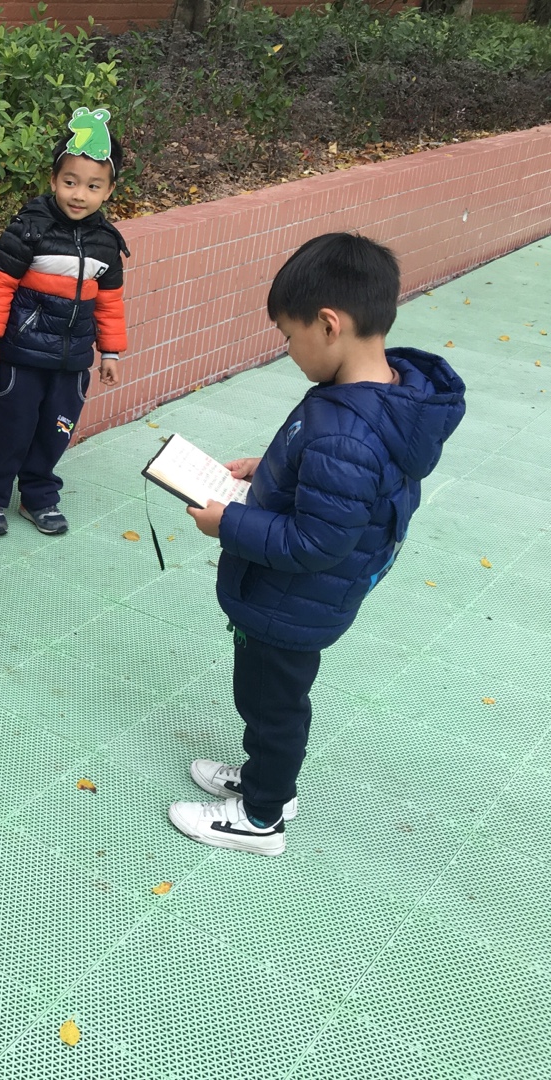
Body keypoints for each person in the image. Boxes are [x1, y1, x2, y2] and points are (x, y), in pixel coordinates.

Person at [174, 232, 466, 856]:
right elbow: (339, 485)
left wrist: (227, 523)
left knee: (271, 705)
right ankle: (266, 780)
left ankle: (261, 817)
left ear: (329, 325)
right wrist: (269, 469)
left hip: (291, 602)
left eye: (288, 335)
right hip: (303, 598)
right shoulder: (384, 396)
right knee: (269, 700)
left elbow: (315, 540)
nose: (287, 350)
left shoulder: (346, 433)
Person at [0, 107, 129, 538]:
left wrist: (110, 352)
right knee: (10, 430)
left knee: (55, 432)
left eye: (93, 186)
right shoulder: (28, 229)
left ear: (109, 190)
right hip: (21, 358)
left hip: (72, 363)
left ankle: (39, 497)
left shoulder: (107, 243)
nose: (80, 194)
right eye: (70, 182)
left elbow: (110, 302)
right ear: (54, 180)